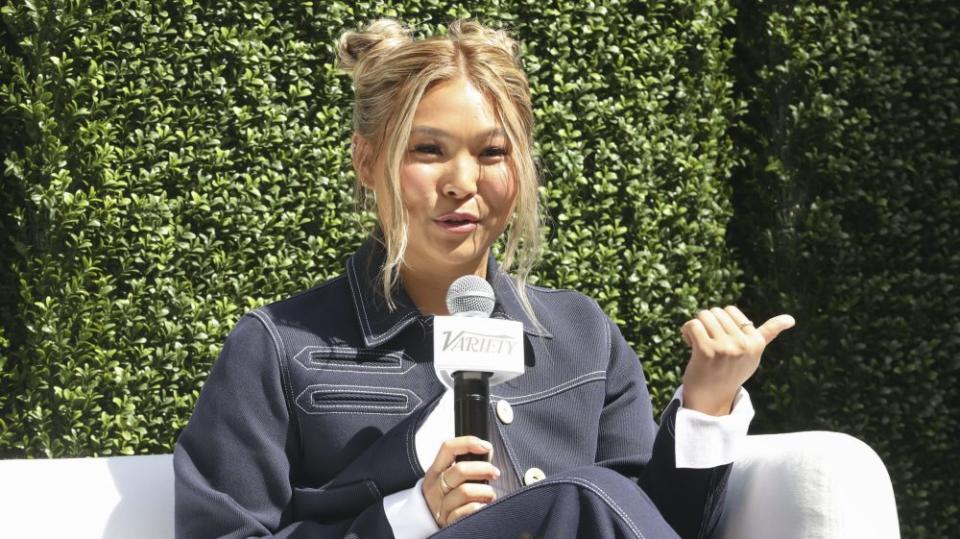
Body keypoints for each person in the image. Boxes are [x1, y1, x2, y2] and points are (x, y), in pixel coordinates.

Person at [174, 19, 795, 539]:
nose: (462, 182)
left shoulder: (583, 334)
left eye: (492, 154)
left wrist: (706, 406)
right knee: (581, 498)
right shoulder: (278, 345)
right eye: (428, 151)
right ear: (368, 161)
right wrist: (410, 514)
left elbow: (653, 524)